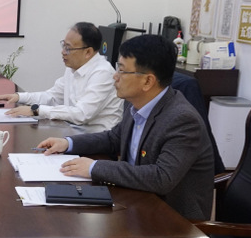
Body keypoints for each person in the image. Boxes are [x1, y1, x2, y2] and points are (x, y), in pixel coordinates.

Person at [36, 34, 214, 221]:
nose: (115, 76)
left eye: (121, 70)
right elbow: (113, 138)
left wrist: (94, 167)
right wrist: (68, 143)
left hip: (172, 220)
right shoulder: (135, 103)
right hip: (136, 202)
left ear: (148, 81)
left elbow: (162, 177)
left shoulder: (182, 120)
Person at [0, 22, 123, 128]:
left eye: (68, 48)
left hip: (98, 140)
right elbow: (53, 97)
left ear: (88, 52)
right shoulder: (73, 68)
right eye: (63, 46)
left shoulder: (103, 73)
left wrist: (35, 110)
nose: (63, 52)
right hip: (73, 132)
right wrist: (18, 97)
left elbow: (82, 114)